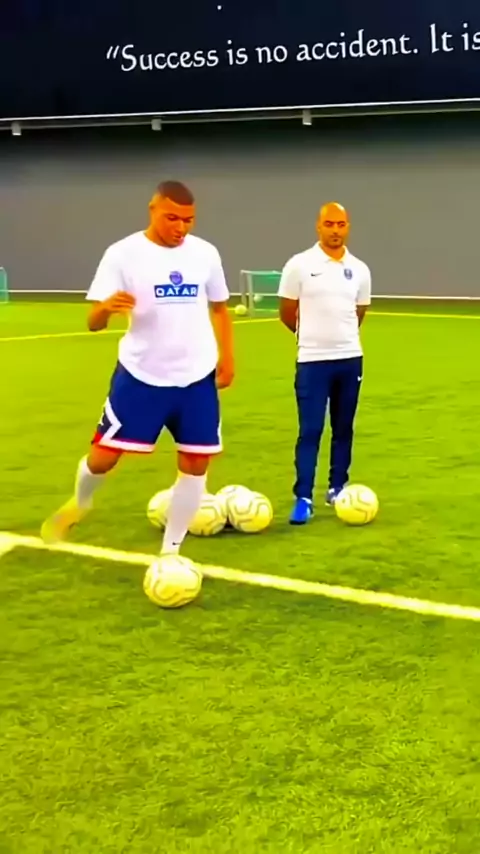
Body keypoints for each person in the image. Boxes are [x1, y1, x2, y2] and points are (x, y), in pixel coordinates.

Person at [41, 180, 234, 554]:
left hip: (197, 377)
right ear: (153, 210)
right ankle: (80, 501)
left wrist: (228, 358)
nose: (181, 227)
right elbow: (93, 323)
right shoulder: (122, 255)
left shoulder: (206, 254)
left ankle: (170, 552)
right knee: (103, 458)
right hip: (142, 376)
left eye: (188, 220)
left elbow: (220, 308)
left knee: (196, 462)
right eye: (172, 218)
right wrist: (105, 308)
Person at [278, 201, 371, 525]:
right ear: (318, 226)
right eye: (329, 224)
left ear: (348, 227)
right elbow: (287, 313)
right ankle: (303, 497)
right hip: (312, 362)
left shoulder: (360, 269)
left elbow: (358, 313)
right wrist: (310, 337)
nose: (335, 230)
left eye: (341, 224)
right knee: (311, 430)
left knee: (343, 428)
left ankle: (337, 487)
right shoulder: (299, 265)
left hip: (350, 360)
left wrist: (341, 338)